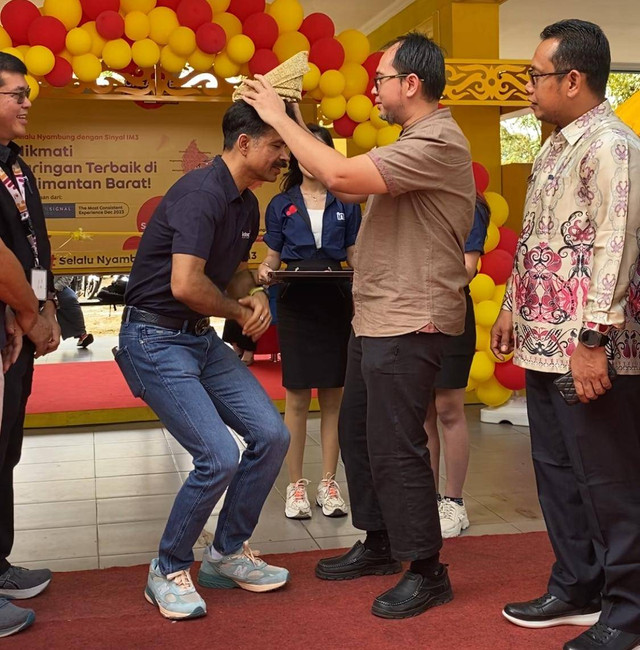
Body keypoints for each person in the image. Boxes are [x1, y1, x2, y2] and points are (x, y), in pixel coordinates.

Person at [243, 32, 475, 619]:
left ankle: (427, 569)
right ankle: (379, 541)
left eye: (382, 79)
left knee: (397, 447)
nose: (375, 88)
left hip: (410, 319)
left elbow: (341, 177)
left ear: (411, 84)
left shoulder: (439, 141)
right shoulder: (411, 140)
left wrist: (276, 115)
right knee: (359, 437)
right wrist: (290, 112)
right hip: (374, 317)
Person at [491, 20, 640, 650]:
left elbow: (617, 244)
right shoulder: (553, 146)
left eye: (535, 75)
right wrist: (509, 307)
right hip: (541, 338)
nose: (528, 86)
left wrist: (592, 340)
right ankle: (576, 585)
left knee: (608, 479)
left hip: (591, 348)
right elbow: (536, 239)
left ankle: (628, 612)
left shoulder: (613, 144)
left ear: (572, 79)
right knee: (555, 470)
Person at [116, 100, 291, 621]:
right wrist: (237, 308)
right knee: (218, 456)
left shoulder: (246, 203)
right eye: (276, 145)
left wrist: (251, 292)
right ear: (244, 144)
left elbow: (227, 276)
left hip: (196, 337)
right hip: (153, 338)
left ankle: (224, 554)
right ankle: (167, 566)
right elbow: (186, 284)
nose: (285, 156)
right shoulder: (199, 193)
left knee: (272, 435)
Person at [257, 124, 361, 520]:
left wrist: (368, 273)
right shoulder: (280, 203)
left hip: (335, 301)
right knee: (298, 398)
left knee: (334, 397)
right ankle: (296, 486)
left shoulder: (347, 203)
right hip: (297, 301)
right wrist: (265, 272)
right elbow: (272, 256)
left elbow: (354, 254)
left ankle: (329, 484)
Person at [0, 52, 60, 638]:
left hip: (19, 327)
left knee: (5, 449)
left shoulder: (17, 167)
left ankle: (0, 565)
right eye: (14, 93)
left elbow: (34, 246)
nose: (25, 102)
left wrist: (43, 310)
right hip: (5, 323)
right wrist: (24, 312)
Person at [425, 194, 489, 538]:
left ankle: (454, 501)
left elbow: (466, 268)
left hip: (452, 314)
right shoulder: (415, 199)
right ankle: (429, 498)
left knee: (448, 408)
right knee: (423, 412)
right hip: (414, 314)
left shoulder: (471, 205)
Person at [54, 276, 93, 349]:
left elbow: (67, 277)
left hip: (57, 287)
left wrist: (55, 289)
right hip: (37, 284)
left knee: (71, 298)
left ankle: (81, 334)